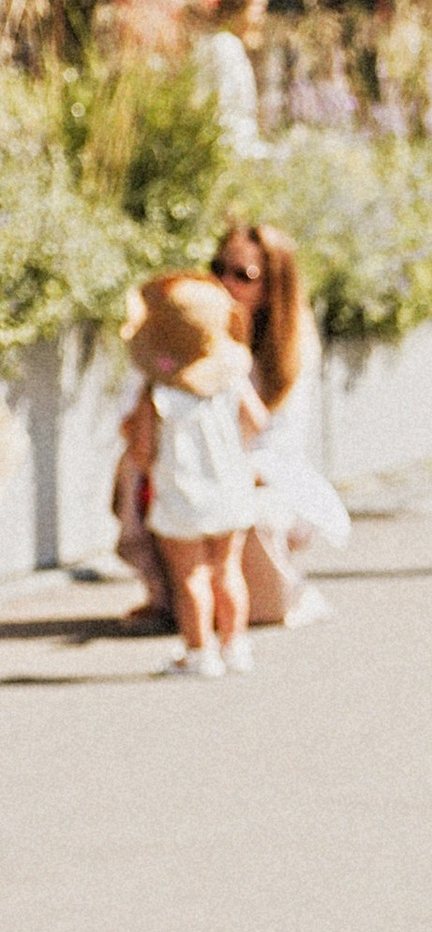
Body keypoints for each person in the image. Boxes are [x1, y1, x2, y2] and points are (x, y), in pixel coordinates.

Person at [114, 220, 343, 628]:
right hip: (187, 475)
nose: (224, 282)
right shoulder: (186, 337)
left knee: (245, 585)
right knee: (143, 482)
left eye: (243, 275)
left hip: (251, 481)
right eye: (218, 267)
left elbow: (276, 439)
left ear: (272, 287)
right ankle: (166, 598)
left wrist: (226, 469)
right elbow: (135, 419)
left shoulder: (288, 351)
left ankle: (230, 623)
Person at [120, 274, 265, 678]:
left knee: (189, 576)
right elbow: (257, 420)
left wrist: (142, 457)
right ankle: (235, 645)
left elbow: (143, 449)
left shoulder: (158, 391)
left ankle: (200, 652)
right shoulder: (231, 380)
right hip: (230, 487)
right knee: (227, 569)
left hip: (181, 492)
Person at [195, 0, 267, 150]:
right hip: (232, 149)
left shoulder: (226, 44)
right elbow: (221, 109)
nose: (262, 18)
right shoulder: (225, 46)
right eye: (258, 8)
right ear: (238, 10)